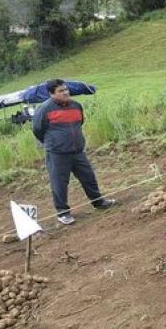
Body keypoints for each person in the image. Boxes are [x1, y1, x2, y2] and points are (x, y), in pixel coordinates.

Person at [32, 79, 115, 225]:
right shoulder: (44, 109)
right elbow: (38, 130)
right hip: (57, 153)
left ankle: (98, 202)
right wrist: (54, 142)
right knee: (59, 183)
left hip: (77, 151)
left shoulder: (76, 106)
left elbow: (80, 123)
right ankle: (63, 213)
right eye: (61, 91)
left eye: (66, 89)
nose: (65, 93)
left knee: (89, 177)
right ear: (51, 93)